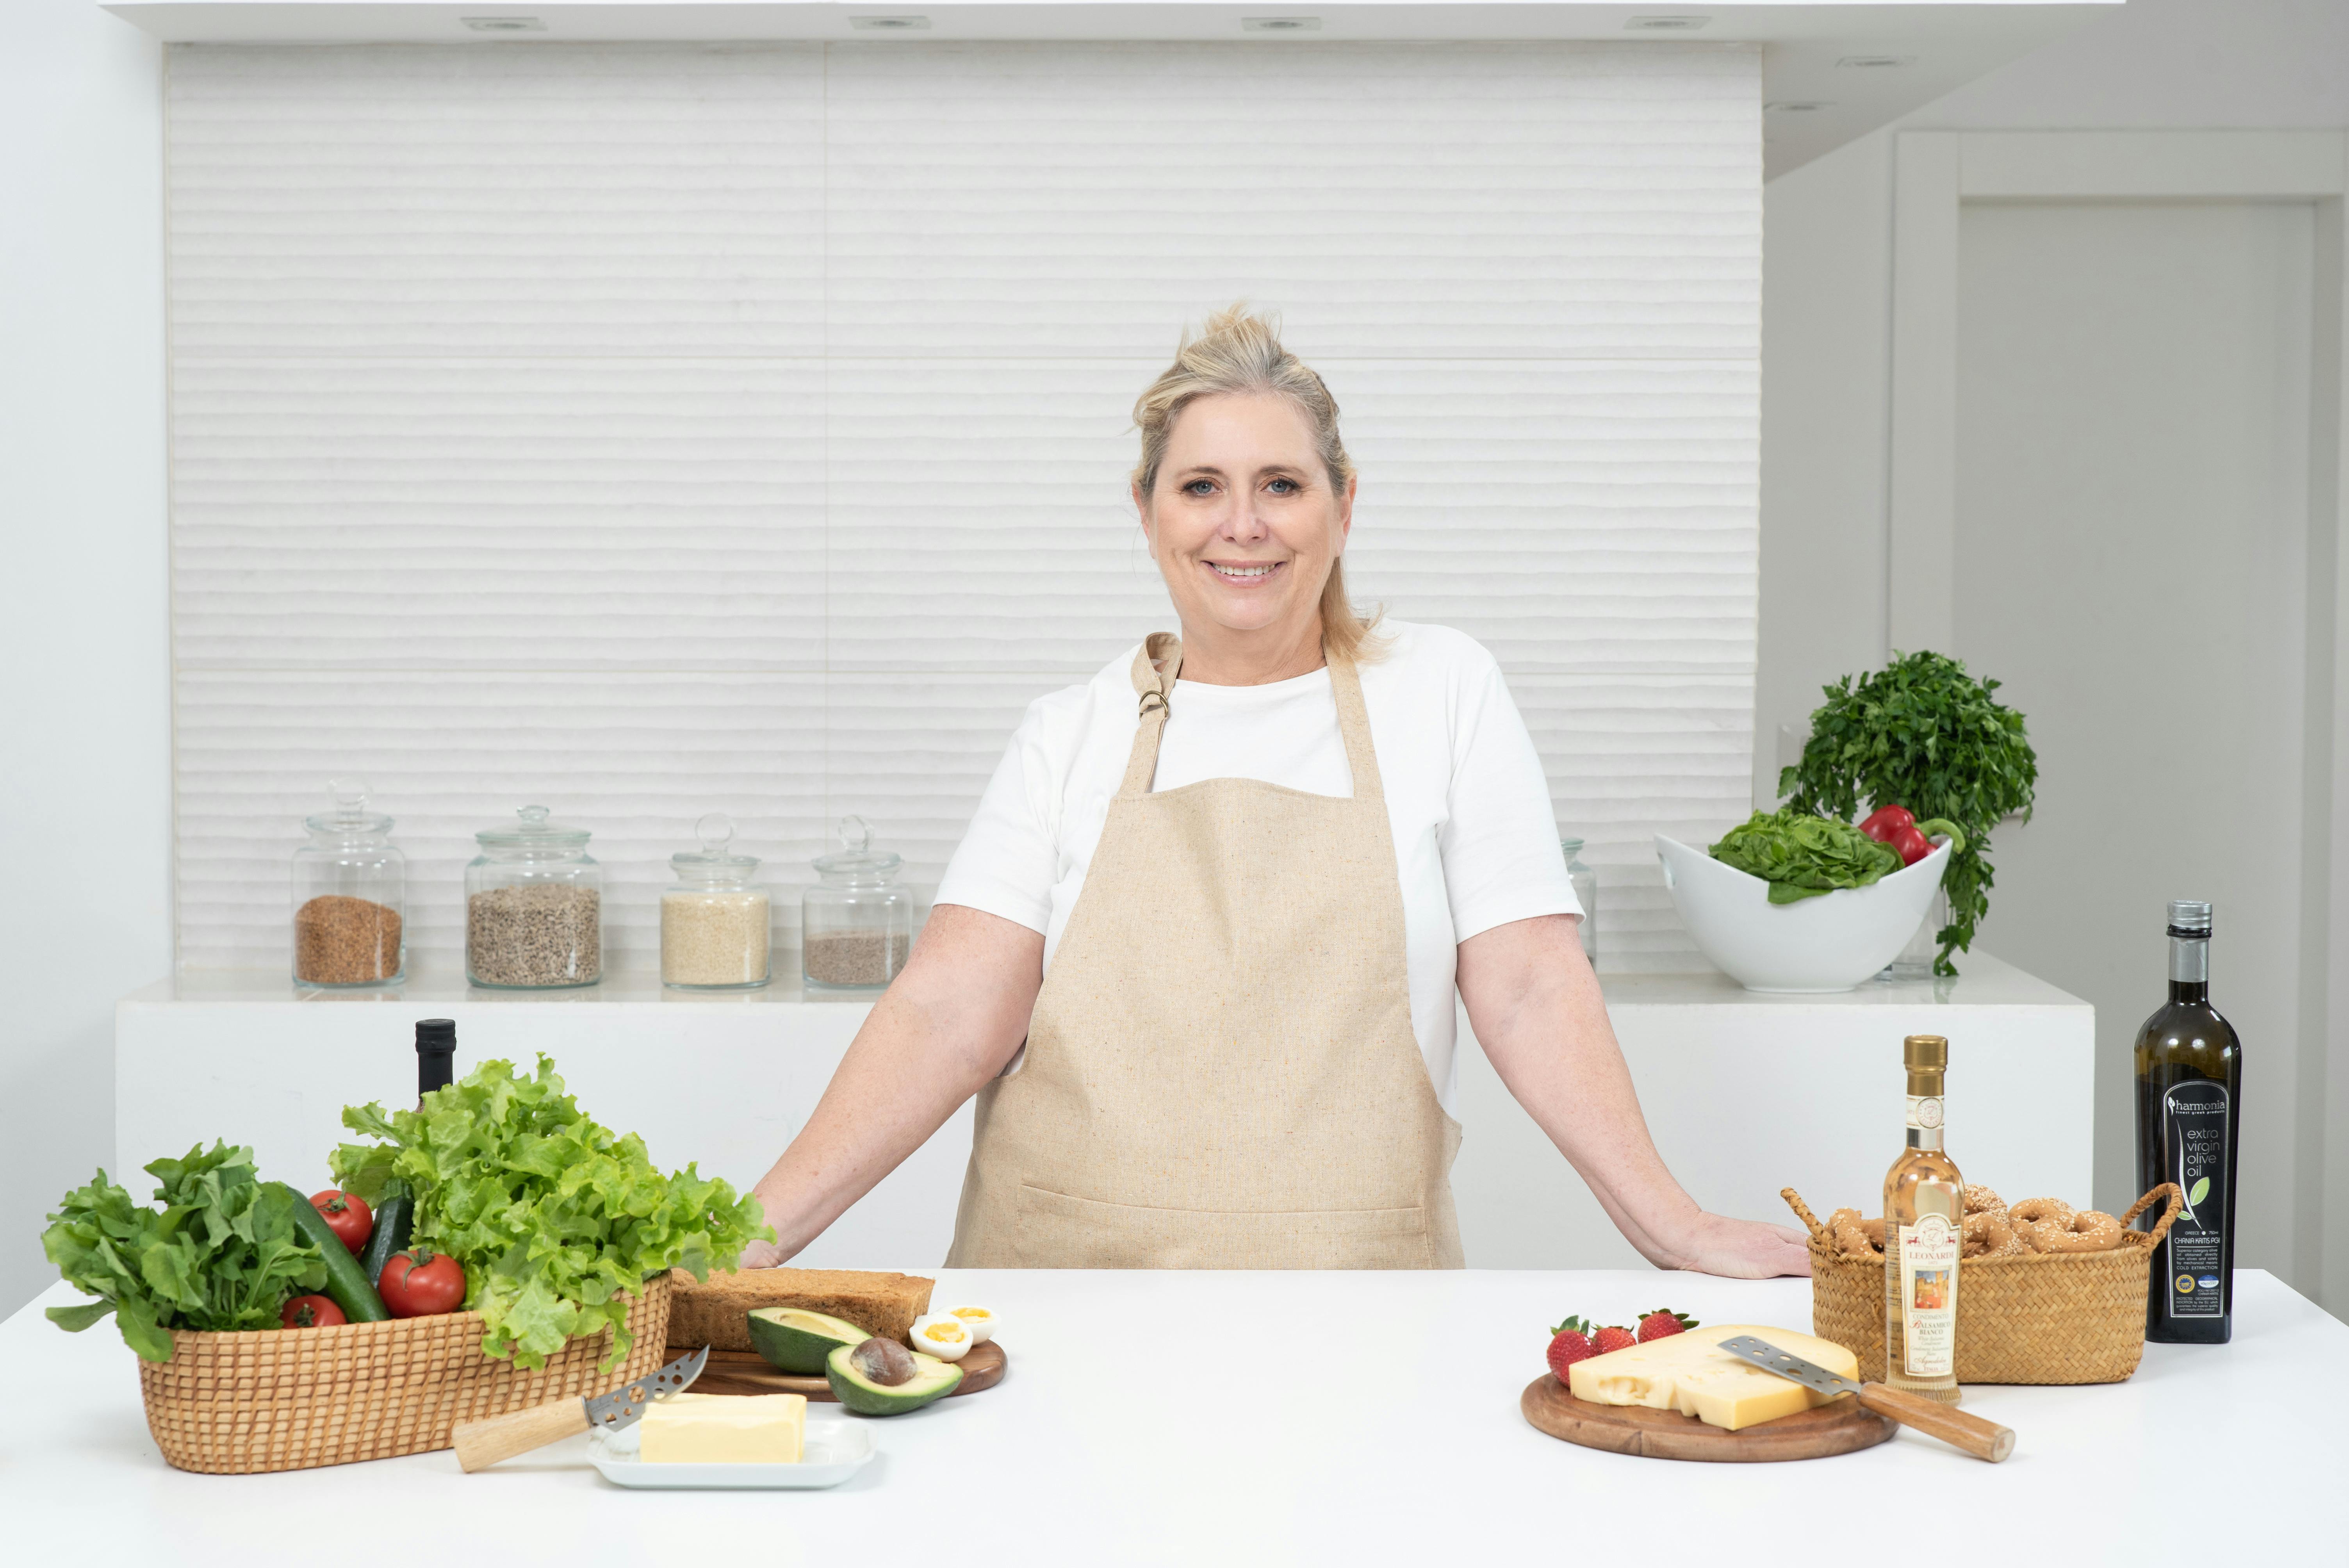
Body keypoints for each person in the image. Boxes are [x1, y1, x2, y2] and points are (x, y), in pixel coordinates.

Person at [741, 305, 1807, 1276]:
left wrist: (1673, 1222)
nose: (1241, 525)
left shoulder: (1441, 691)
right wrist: (731, 1250)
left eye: (1282, 486)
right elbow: (946, 1010)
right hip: (1064, 1307)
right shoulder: (1069, 733)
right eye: (1201, 486)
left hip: (1363, 1314)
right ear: (1147, 510)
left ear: (1344, 508)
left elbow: (1529, 983)